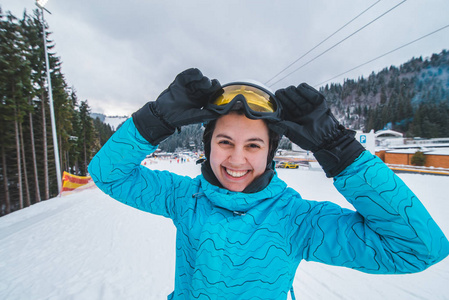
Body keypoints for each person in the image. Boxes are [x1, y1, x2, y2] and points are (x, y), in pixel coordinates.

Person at [88, 68, 449, 300]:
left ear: (270, 152)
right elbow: (108, 173)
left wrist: (340, 151)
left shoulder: (297, 219)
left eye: (253, 145)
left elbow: (418, 248)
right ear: (208, 146)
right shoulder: (187, 198)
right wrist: (155, 120)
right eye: (225, 142)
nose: (237, 160)